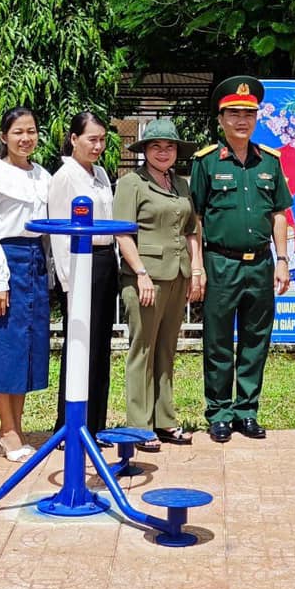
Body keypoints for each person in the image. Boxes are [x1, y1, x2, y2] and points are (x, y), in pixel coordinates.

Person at [191, 76, 292, 444]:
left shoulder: (270, 161)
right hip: (221, 263)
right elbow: (196, 219)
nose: (241, 121)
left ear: (256, 118)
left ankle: (247, 411)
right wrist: (198, 267)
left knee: (255, 339)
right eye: (233, 113)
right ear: (221, 119)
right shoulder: (205, 163)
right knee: (217, 340)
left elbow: (279, 213)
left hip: (261, 263)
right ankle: (219, 412)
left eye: (248, 114)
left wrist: (282, 260)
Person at [115, 117, 201, 448]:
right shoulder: (131, 183)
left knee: (167, 349)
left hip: (177, 274)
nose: (163, 152)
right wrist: (140, 273)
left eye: (169, 146)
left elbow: (191, 229)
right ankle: (139, 425)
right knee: (143, 349)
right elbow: (122, 231)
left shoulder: (180, 184)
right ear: (145, 150)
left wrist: (195, 269)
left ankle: (165, 419)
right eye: (156, 146)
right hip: (145, 276)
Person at [0, 107, 51, 459]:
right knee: (3, 346)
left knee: (25, 348)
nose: (25, 138)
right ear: (4, 136)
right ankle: (6, 428)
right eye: (18, 132)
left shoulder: (43, 175)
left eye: (31, 131)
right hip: (5, 261)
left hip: (34, 263)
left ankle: (15, 427)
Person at [49, 111, 119, 433]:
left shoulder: (102, 174)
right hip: (80, 263)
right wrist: (69, 282)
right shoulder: (65, 177)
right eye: (92, 139)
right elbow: (61, 234)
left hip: (105, 261)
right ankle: (69, 425)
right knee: (79, 346)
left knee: (101, 346)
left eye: (102, 140)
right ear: (74, 139)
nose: (98, 146)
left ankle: (96, 425)